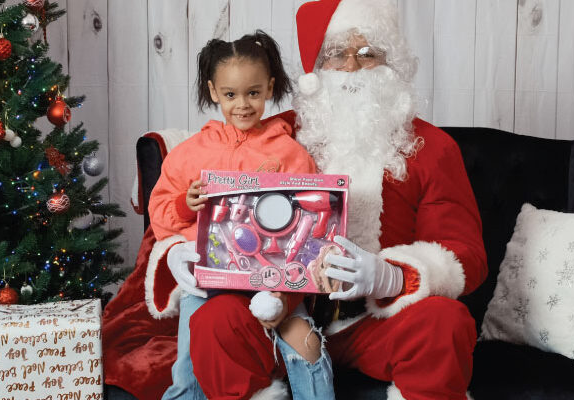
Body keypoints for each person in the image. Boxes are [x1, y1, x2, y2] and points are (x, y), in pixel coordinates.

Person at [156, 0, 488, 399]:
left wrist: (390, 275)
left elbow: (464, 252)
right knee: (215, 319)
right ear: (316, 70)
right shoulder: (277, 137)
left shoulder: (433, 148)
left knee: (445, 321)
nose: (350, 66)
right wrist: (177, 250)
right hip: (281, 314)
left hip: (375, 321)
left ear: (392, 64)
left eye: (368, 54)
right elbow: (202, 191)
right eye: (335, 54)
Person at [148, 30, 334, 400]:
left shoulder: (290, 153)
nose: (243, 105)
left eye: (253, 92)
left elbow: (314, 223)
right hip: (207, 282)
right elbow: (161, 214)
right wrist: (188, 205)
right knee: (187, 368)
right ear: (214, 91)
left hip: (273, 278)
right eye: (231, 95)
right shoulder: (190, 153)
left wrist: (284, 294)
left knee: (304, 343)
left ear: (270, 87)